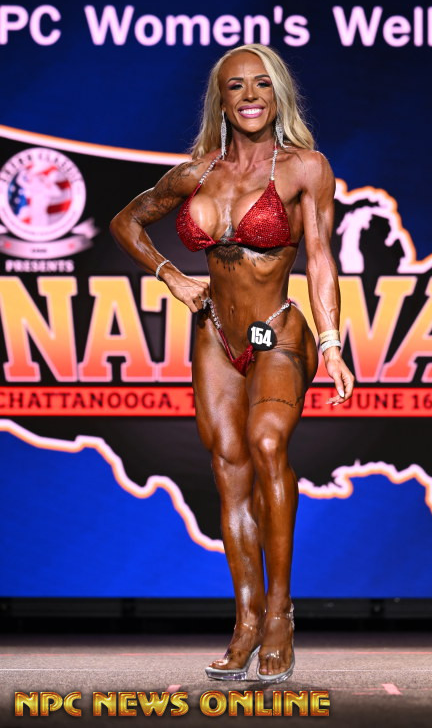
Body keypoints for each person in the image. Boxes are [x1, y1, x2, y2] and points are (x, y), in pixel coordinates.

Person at [110, 43, 355, 684]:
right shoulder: (196, 174)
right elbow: (126, 222)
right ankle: (245, 621)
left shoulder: (305, 168)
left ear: (279, 95)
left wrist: (332, 343)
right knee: (230, 472)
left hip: (278, 332)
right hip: (215, 335)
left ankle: (280, 615)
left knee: (267, 443)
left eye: (261, 84)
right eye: (236, 86)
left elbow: (321, 257)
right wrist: (170, 274)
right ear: (220, 99)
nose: (250, 96)